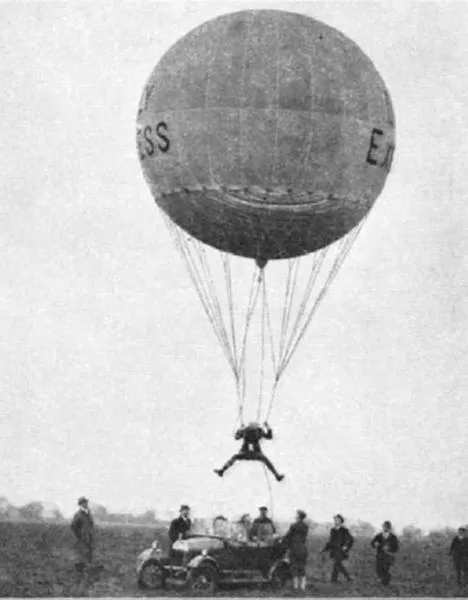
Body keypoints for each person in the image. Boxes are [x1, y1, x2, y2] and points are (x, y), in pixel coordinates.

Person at [214, 422, 284, 481]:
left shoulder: (246, 430)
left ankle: (222, 470)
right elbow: (269, 437)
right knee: (266, 461)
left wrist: (240, 429)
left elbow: (236, 437)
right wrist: (267, 427)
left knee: (235, 457)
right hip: (255, 453)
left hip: (245, 453)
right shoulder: (259, 431)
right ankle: (277, 476)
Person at [321, 514, 354, 583]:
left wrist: (346, 546)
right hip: (334, 550)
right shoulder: (332, 530)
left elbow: (350, 539)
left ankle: (347, 578)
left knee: (337, 563)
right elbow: (330, 541)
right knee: (337, 564)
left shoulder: (344, 530)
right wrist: (324, 548)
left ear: (341, 521)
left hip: (341, 550)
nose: (335, 521)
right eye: (335, 520)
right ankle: (335, 580)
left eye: (337, 520)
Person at [282, 509, 309, 592]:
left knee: (294, 568)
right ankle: (303, 586)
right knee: (302, 567)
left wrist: (281, 540)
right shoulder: (305, 526)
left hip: (294, 549)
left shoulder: (293, 525)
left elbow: (287, 536)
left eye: (296, 515)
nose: (295, 516)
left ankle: (296, 587)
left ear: (299, 517)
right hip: (303, 549)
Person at [371, 521, 399, 586]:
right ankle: (385, 580)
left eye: (387, 527)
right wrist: (375, 544)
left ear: (389, 528)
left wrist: (389, 548)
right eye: (384, 527)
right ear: (382, 527)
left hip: (389, 556)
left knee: (385, 569)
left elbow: (396, 547)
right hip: (379, 555)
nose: (385, 528)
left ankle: (385, 582)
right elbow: (372, 543)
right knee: (378, 569)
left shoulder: (393, 537)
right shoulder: (378, 536)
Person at [71, 497, 95, 572]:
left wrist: (91, 533)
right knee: (82, 553)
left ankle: (87, 568)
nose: (86, 504)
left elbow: (91, 524)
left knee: (89, 552)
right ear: (81, 505)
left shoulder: (89, 513)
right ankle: (79, 569)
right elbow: (73, 525)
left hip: (89, 536)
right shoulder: (78, 514)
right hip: (82, 537)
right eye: (84, 503)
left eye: (86, 503)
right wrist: (79, 535)